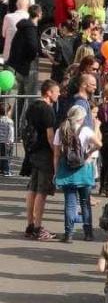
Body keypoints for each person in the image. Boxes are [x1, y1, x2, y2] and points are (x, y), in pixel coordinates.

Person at [55, 103, 99, 244]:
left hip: (66, 169)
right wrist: (89, 153)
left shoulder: (60, 130)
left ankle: (68, 234)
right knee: (85, 202)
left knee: (70, 204)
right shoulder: (85, 130)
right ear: (81, 118)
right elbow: (99, 144)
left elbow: (56, 155)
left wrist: (56, 173)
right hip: (83, 169)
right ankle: (88, 233)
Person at [22, 78, 60, 241]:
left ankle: (30, 224)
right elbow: (50, 135)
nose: (58, 94)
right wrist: (56, 154)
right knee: (41, 191)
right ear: (48, 93)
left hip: (32, 151)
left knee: (32, 188)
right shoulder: (47, 109)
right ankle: (38, 227)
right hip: (44, 153)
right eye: (56, 91)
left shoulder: (32, 107)